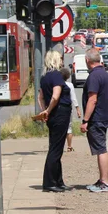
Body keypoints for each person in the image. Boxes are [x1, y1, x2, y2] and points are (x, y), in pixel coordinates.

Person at [34, 48, 71, 192]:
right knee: (55, 150)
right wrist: (48, 111)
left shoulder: (44, 77)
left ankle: (58, 181)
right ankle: (49, 183)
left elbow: (40, 97)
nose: (62, 61)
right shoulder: (56, 76)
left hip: (53, 115)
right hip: (60, 113)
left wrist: (44, 111)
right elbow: (56, 96)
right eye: (60, 59)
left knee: (56, 148)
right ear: (55, 60)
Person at [80, 47, 108, 192]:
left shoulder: (93, 76)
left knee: (101, 149)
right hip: (103, 116)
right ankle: (102, 180)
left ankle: (104, 182)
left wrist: (85, 120)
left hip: (96, 118)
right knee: (101, 148)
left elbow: (92, 99)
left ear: (87, 60)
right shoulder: (104, 74)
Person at [61, 66, 82, 152]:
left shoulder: (57, 85)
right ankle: (69, 146)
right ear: (68, 76)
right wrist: (77, 109)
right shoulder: (70, 85)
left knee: (59, 128)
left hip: (57, 109)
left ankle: (59, 146)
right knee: (69, 127)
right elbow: (73, 98)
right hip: (67, 109)